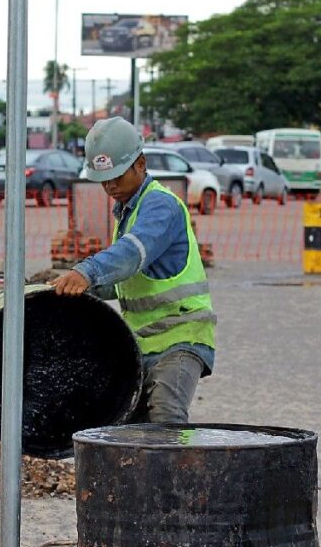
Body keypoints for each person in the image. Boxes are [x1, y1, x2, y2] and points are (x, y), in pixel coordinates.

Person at [50, 117, 216, 424]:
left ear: (141, 164)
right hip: (143, 343)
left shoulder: (160, 206)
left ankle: (180, 472)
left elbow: (131, 255)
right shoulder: (127, 212)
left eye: (116, 176)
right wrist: (82, 285)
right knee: (126, 425)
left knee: (166, 415)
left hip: (181, 336)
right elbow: (126, 281)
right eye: (103, 180)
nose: (110, 186)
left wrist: (87, 271)